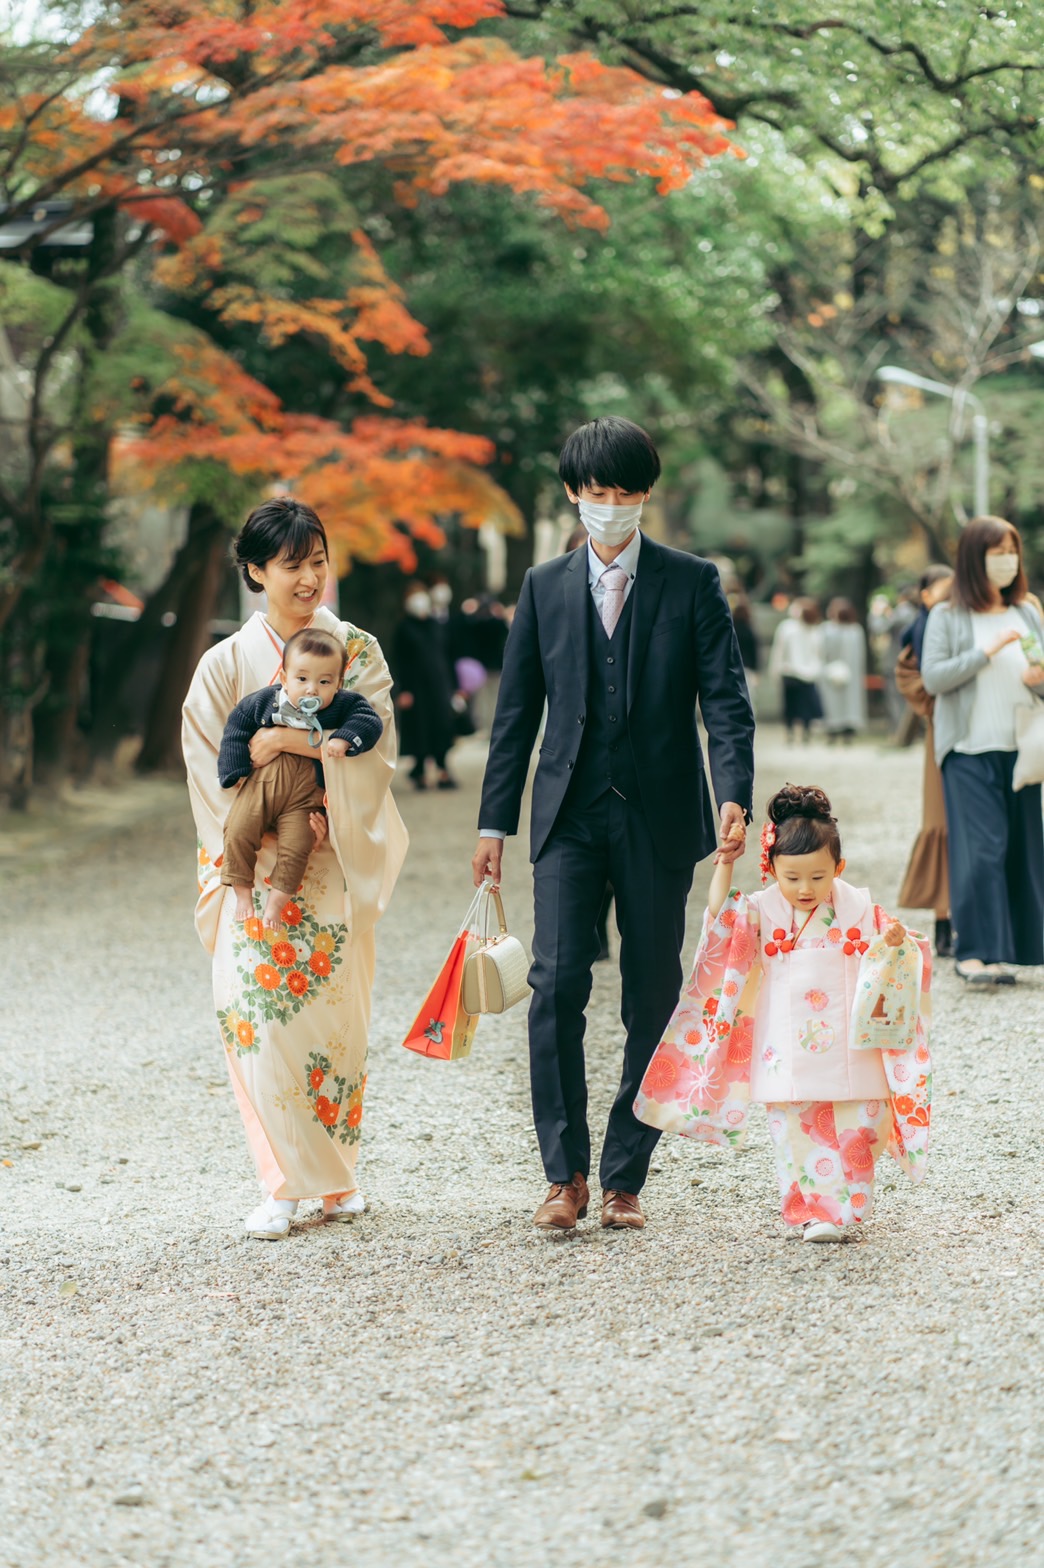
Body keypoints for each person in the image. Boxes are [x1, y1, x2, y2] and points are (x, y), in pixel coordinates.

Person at [472, 415, 755, 1233]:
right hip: (566, 814)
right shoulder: (542, 586)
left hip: (661, 815)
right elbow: (515, 714)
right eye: (596, 493)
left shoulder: (691, 581)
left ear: (646, 495)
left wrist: (730, 788)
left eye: (626, 492)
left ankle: (626, 1175)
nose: (611, 506)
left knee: (653, 991)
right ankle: (563, 1176)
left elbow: (725, 702)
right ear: (574, 494)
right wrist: (494, 823)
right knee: (555, 984)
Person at [182, 498, 407, 1239]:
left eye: (319, 561)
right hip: (258, 869)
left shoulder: (359, 652)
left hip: (333, 860)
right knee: (259, 1024)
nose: (309, 578)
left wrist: (292, 749)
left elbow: (374, 755)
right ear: (255, 571)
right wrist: (253, 839)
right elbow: (209, 771)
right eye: (291, 565)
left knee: (337, 1028)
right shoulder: (224, 665)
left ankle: (337, 1178)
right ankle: (280, 1184)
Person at [636, 785, 932, 1243]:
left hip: (855, 1047)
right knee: (799, 1134)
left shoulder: (858, 908)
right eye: (791, 877)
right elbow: (720, 915)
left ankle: (848, 1207)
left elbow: (896, 946)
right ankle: (813, 1213)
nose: (805, 888)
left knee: (862, 1127)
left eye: (818, 877)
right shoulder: (762, 910)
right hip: (789, 1049)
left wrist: (896, 942)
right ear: (771, 869)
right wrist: (725, 862)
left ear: (839, 868)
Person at [921, 517, 1044, 985]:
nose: (1008, 561)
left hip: (1024, 748)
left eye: (1013, 551)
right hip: (969, 750)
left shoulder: (1027, 611)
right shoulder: (947, 616)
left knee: (1021, 848)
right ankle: (973, 952)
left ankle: (1016, 950)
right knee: (982, 849)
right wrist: (986, 651)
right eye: (997, 552)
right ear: (975, 558)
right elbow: (934, 678)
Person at [218, 627, 384, 929]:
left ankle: (275, 904)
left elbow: (369, 721)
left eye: (324, 682)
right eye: (302, 679)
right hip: (262, 787)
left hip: (305, 798)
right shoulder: (266, 702)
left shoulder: (343, 705)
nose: (311, 690)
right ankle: (242, 893)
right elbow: (237, 727)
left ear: (338, 683)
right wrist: (234, 769)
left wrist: (344, 739)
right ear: (284, 678)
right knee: (238, 829)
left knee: (298, 846)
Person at [896, 566, 954, 956]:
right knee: (940, 824)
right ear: (926, 595)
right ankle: (943, 920)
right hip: (942, 733)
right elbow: (911, 678)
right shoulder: (922, 631)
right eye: (943, 589)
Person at [393, 581, 459, 790]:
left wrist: (455, 687)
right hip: (415, 688)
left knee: (442, 725)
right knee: (419, 728)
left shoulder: (436, 625)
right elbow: (398, 661)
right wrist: (401, 690)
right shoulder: (403, 628)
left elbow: (448, 657)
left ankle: (442, 769)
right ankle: (419, 770)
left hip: (439, 686)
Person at [769, 598, 823, 742]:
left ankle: (791, 731)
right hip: (806, 673)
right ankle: (804, 731)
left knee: (791, 704)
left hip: (790, 671)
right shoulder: (814, 631)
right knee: (805, 704)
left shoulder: (787, 627)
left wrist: (775, 669)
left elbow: (778, 651)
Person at [819, 598, 867, 742]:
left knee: (833, 702)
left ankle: (833, 730)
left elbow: (822, 652)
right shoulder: (855, 630)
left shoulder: (827, 629)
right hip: (851, 673)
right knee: (849, 701)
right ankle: (847, 730)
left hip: (831, 672)